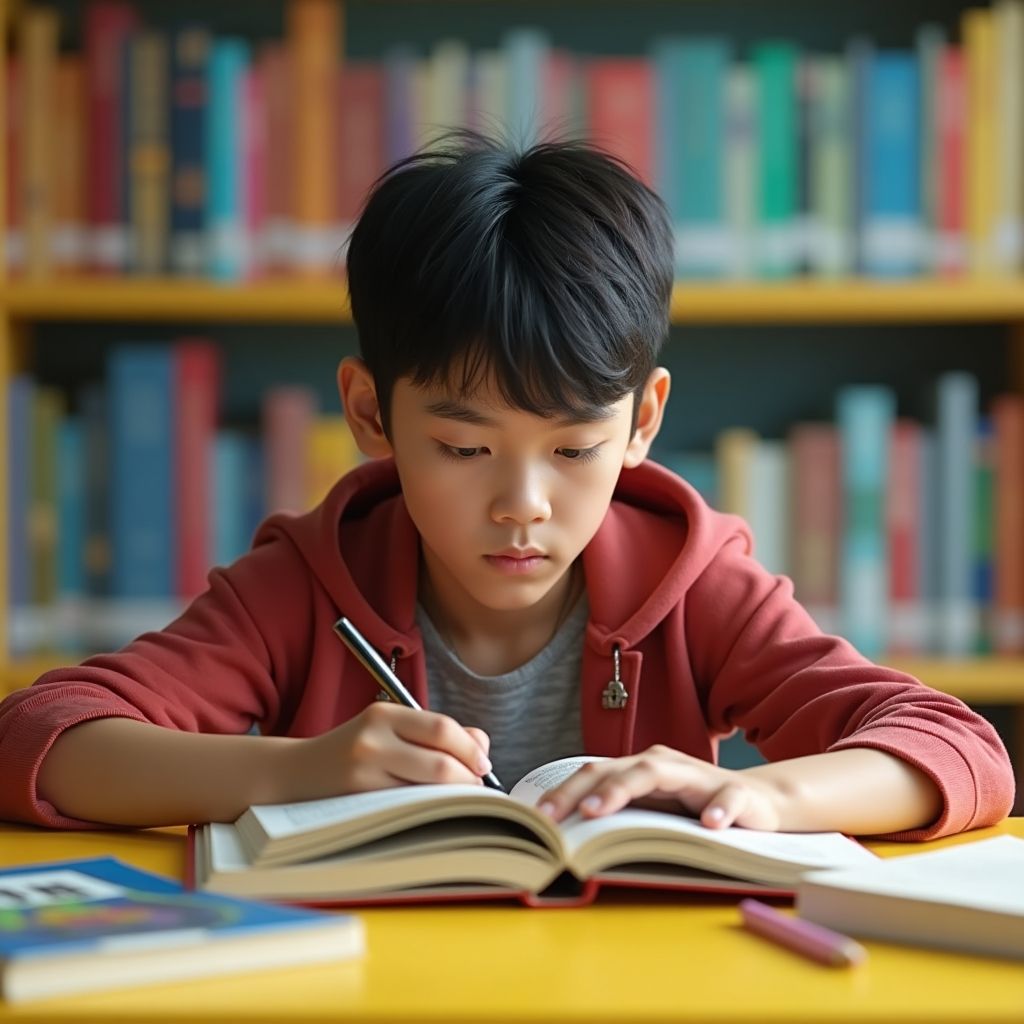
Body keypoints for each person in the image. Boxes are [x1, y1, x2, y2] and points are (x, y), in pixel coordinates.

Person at [0, 131, 1013, 838]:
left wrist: (756, 797)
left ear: (643, 421)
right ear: (369, 416)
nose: (522, 502)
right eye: (462, 447)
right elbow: (41, 738)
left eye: (574, 450)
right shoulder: (308, 582)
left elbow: (956, 749)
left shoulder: (693, 580)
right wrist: (295, 771)